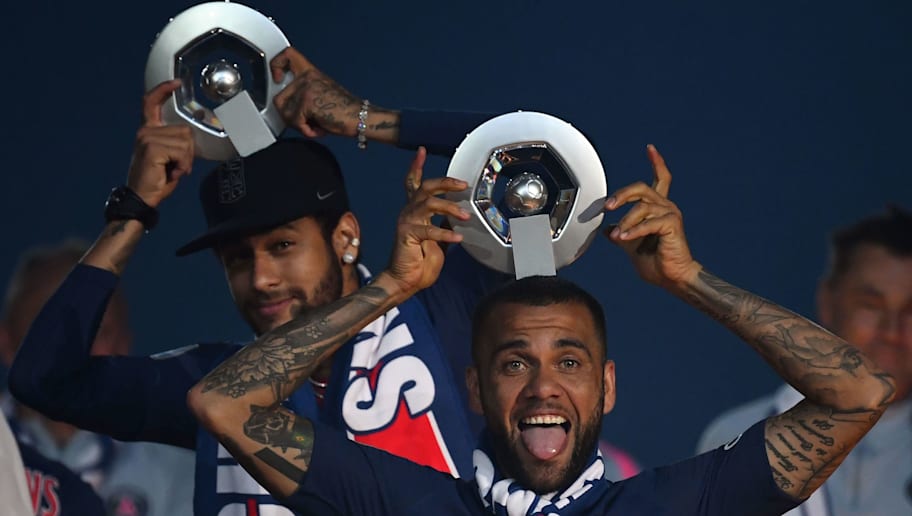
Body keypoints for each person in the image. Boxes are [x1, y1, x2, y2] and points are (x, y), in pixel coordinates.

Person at [188, 145, 896, 515]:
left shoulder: (672, 505)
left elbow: (859, 392)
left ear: (608, 386)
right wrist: (392, 286)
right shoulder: (405, 501)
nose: (543, 387)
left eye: (571, 361)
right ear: (474, 388)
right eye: (513, 363)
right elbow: (223, 403)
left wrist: (689, 279)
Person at [8, 47, 527, 515]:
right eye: (237, 259)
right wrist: (134, 210)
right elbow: (45, 380)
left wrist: (364, 119)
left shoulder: (442, 308)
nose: (260, 278)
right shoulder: (211, 381)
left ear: (346, 236)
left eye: (282, 246)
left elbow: (540, 150)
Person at [696, 206, 912, 516]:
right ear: (828, 302)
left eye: (910, 310)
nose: (891, 331)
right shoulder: (738, 436)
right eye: (870, 305)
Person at [0, 239, 194, 516]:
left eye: (96, 330)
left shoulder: (177, 462)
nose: (68, 350)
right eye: (44, 329)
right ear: (6, 343)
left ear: (123, 346)